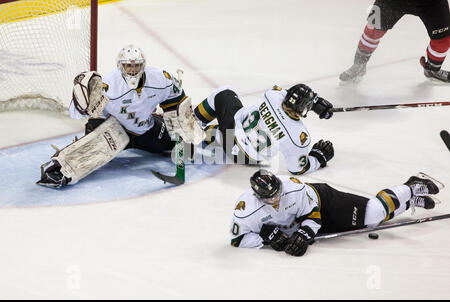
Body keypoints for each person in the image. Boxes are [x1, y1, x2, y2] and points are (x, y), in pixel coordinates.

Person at [37, 44, 192, 188]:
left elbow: (177, 99)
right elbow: (75, 113)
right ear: (120, 66)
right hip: (113, 128)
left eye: (136, 65)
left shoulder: (161, 78)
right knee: (94, 145)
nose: (132, 70)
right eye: (128, 65)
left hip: (144, 129)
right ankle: (61, 169)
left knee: (176, 145)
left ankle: (161, 121)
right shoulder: (108, 87)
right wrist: (81, 101)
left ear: (143, 65)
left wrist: (179, 122)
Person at [229, 169, 441, 256]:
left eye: (278, 193)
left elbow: (312, 215)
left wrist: (303, 235)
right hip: (299, 221)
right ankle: (409, 202)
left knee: (374, 213)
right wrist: (268, 239)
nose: (276, 198)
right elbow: (237, 239)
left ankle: (411, 186)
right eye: (270, 197)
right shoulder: (246, 210)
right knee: (371, 224)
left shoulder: (294, 187)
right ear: (258, 196)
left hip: (324, 201)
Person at [192, 84, 334, 175]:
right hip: (246, 157)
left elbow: (287, 93)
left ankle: (191, 121)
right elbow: (298, 169)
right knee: (221, 134)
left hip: (233, 132)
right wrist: (317, 158)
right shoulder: (299, 137)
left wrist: (315, 102)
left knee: (224, 93)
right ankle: (206, 133)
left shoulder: (272, 96)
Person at [340, 0, 450, 83]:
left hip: (431, 3)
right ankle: (359, 65)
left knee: (444, 40)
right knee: (372, 31)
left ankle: (432, 69)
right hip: (392, 1)